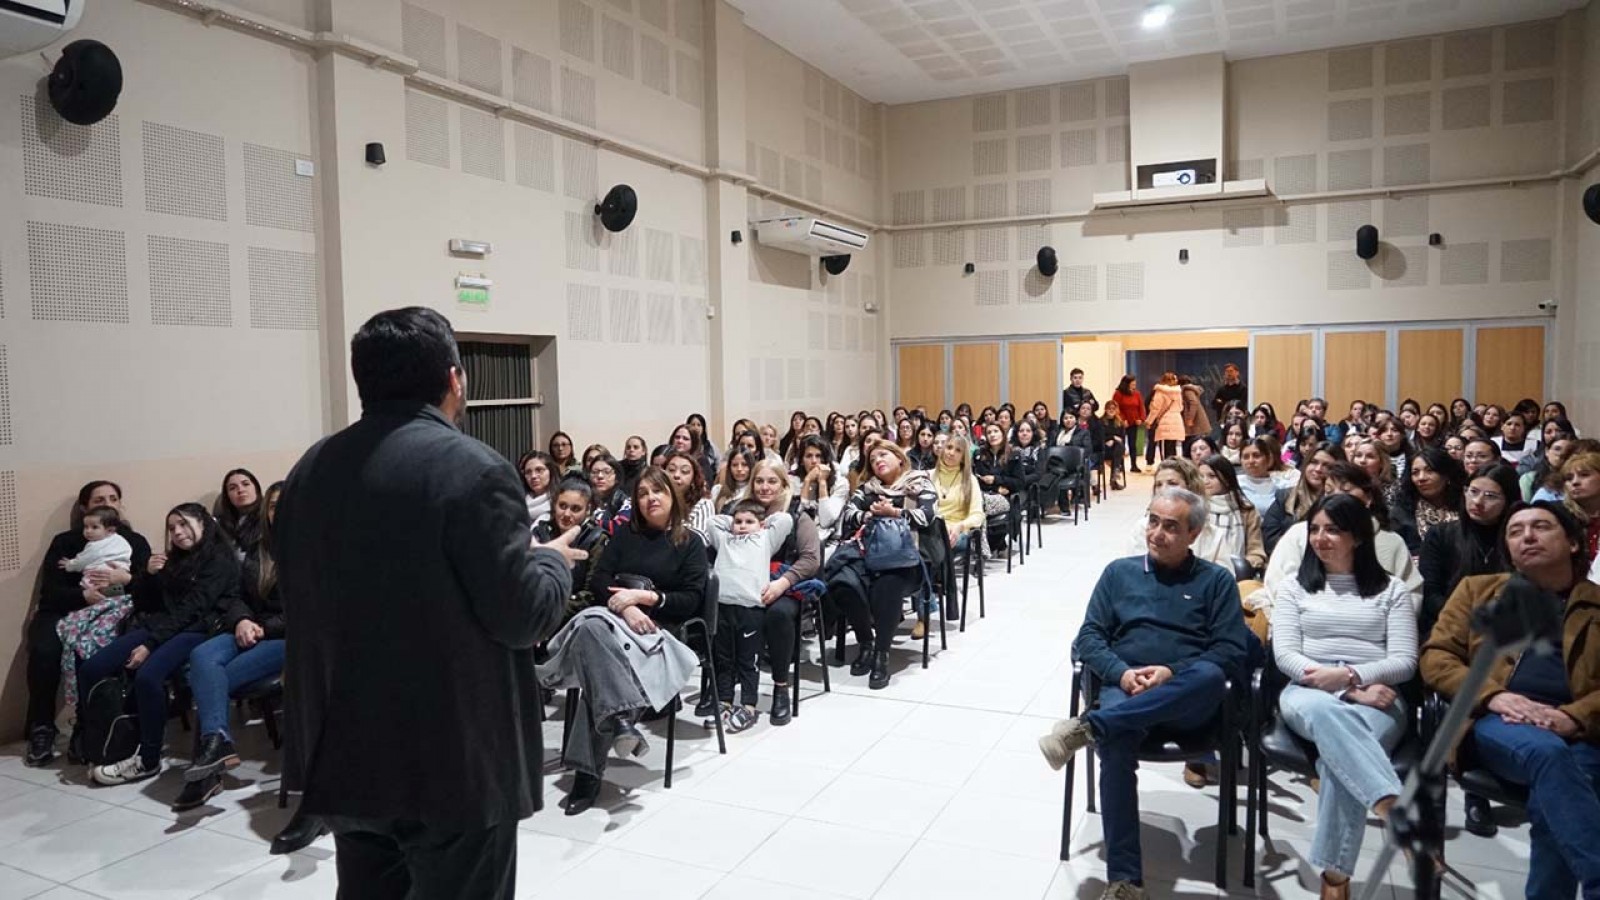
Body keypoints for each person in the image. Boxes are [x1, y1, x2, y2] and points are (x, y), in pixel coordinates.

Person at [277, 308, 579, 896]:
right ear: (455, 378)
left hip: (346, 747)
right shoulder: (473, 469)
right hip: (452, 761)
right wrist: (551, 561)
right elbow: (521, 617)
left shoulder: (309, 472)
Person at [1039, 486, 1249, 900]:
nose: (1156, 533)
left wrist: (1173, 672)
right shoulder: (1119, 573)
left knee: (1209, 674)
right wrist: (1122, 673)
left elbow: (1230, 650)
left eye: (1171, 526)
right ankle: (1125, 882)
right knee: (1116, 746)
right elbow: (1090, 637)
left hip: (1186, 701)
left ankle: (1090, 726)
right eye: (1153, 521)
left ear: (1194, 533)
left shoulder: (1216, 581)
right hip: (1127, 689)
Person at [1421, 501, 1600, 900]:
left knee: (1560, 793)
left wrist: (1574, 716)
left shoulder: (1595, 602)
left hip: (1579, 730)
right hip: (1496, 723)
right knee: (1551, 757)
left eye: (1540, 527)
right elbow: (1436, 657)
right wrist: (1494, 696)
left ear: (1572, 542)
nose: (1527, 537)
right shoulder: (1477, 591)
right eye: (1516, 531)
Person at [1271, 494, 1417, 900]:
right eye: (1314, 528)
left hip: (1380, 694)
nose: (1320, 538)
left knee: (1339, 759)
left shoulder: (1392, 590)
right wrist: (1346, 686)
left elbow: (1404, 661)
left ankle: (1335, 880)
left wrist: (1355, 675)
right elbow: (1285, 655)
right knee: (1335, 719)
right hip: (1309, 691)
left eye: (1332, 529)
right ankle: (1395, 812)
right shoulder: (1294, 588)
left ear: (1357, 536)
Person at [78, 503, 241, 785]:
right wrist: (149, 576)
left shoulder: (219, 560)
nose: (177, 533)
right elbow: (148, 603)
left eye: (184, 525)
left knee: (148, 677)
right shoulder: (175, 560)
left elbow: (193, 609)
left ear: (203, 523)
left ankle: (148, 759)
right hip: (163, 624)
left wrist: (151, 645)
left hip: (201, 629)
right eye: (172, 528)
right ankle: (98, 741)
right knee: (93, 667)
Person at [175, 481, 292, 811]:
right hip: (247, 628)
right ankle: (217, 743)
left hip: (286, 639)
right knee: (202, 656)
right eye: (272, 505)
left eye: (284, 504)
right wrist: (241, 620)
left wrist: (261, 627)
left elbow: (309, 610)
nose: (277, 511)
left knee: (211, 678)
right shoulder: (257, 549)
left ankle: (204, 772)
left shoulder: (311, 550)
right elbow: (236, 596)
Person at [23, 482, 154, 767]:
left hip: (116, 608)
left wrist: (123, 583)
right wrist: (83, 596)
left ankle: (89, 726)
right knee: (44, 649)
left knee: (98, 647)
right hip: (64, 609)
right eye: (98, 499)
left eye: (113, 498)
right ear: (84, 508)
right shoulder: (65, 542)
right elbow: (52, 591)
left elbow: (148, 587)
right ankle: (42, 727)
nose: (107, 502)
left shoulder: (134, 541)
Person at [822, 442, 937, 690]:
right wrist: (869, 515)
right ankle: (866, 643)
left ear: (899, 458)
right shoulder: (867, 489)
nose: (877, 461)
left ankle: (881, 655)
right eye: (873, 459)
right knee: (842, 582)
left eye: (883, 455)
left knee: (887, 585)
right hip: (868, 555)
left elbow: (927, 516)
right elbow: (848, 514)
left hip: (906, 558)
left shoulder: (919, 483)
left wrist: (894, 512)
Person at [705, 500, 794, 733]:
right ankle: (724, 701)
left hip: (751, 608)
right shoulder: (725, 539)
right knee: (723, 659)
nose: (743, 526)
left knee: (748, 660)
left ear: (762, 524)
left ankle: (748, 705)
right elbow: (712, 521)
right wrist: (732, 518)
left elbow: (785, 520)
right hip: (723, 606)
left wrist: (762, 524)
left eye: (749, 522)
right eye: (739, 522)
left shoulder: (765, 539)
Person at [747, 457, 822, 725]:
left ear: (783, 485)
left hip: (786, 586)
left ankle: (780, 687)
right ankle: (723, 691)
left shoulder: (797, 514)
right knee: (724, 613)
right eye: (759, 481)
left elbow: (811, 560)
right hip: (746, 584)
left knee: (778, 614)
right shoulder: (742, 511)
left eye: (771, 481)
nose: (764, 487)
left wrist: (782, 583)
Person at [1419, 464, 1519, 638]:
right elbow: (1430, 594)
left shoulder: (1517, 540)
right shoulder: (1441, 534)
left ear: (1508, 501)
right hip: (1450, 626)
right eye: (1473, 491)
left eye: (1490, 496)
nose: (1478, 502)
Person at [1195, 455, 1266, 574]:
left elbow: (1255, 550)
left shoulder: (1246, 510)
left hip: (1236, 573)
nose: (1205, 481)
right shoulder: (1193, 508)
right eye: (1201, 476)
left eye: (1212, 476)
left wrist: (1243, 567)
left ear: (1227, 479)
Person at [1391, 445, 1466, 554]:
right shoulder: (1401, 514)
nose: (1421, 478)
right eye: (1415, 473)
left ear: (1446, 475)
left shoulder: (1466, 507)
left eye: (1429, 471)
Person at [933, 433, 985, 559]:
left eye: (958, 450)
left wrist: (960, 526)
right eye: (949, 447)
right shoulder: (929, 476)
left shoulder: (970, 480)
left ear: (963, 457)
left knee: (939, 545)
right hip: (933, 528)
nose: (951, 453)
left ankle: (939, 577)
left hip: (958, 530)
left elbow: (978, 515)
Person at [57, 506, 133, 591]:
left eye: (94, 527)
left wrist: (69, 565)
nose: (88, 531)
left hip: (98, 579)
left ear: (110, 530)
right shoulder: (121, 540)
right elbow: (127, 553)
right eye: (86, 527)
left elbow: (82, 560)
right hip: (119, 578)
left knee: (85, 586)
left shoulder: (95, 545)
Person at [792, 435, 848, 539]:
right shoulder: (793, 480)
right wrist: (807, 481)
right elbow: (797, 516)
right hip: (798, 536)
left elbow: (826, 521)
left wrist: (822, 482)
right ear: (801, 461)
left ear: (826, 460)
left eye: (818, 456)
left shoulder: (840, 483)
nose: (814, 461)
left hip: (828, 540)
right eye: (808, 456)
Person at [1239, 435, 1299, 516]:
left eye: (1256, 456)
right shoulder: (1234, 484)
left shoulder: (1282, 485)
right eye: (1246, 457)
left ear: (1268, 459)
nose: (1251, 461)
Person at [662, 448, 715, 539]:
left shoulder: (703, 504)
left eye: (684, 471)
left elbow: (700, 538)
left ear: (693, 479)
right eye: (671, 470)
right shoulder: (656, 501)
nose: (676, 475)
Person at [214, 468, 265, 555]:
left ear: (256, 488)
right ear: (227, 496)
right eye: (232, 488)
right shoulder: (220, 525)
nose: (240, 490)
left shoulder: (268, 518)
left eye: (245, 484)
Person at [584, 451, 632, 534]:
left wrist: (588, 522)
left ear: (616, 477)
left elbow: (619, 527)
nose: (600, 476)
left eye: (606, 472)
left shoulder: (625, 501)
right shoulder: (584, 498)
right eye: (595, 472)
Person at [1145, 372, 1185, 464]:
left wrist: (1149, 421)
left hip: (1165, 421)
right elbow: (1181, 407)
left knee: (1164, 447)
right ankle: (1173, 467)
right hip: (1176, 419)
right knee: (1172, 446)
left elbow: (1156, 408)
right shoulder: (1178, 392)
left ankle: (1166, 467)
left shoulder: (1160, 392)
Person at [1112, 376, 1147, 473]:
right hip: (1121, 423)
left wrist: (1141, 418)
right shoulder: (1118, 394)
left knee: (1133, 444)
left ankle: (1134, 464)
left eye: (1135, 384)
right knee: (1121, 444)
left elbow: (1141, 407)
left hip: (1134, 422)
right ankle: (1120, 465)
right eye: (1132, 384)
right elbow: (1116, 407)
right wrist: (1122, 419)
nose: (1134, 386)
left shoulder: (1137, 394)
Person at [518, 451, 557, 526]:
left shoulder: (559, 501)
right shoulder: (519, 502)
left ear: (551, 472)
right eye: (528, 472)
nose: (533, 476)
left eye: (539, 470)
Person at [711, 448, 755, 512]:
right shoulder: (717, 490)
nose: (739, 469)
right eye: (734, 465)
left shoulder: (755, 492)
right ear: (729, 468)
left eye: (744, 465)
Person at [1180, 375, 1212, 442]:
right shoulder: (1190, 390)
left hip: (1195, 422)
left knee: (1193, 441)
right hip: (1196, 421)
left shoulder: (1187, 390)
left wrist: (1190, 419)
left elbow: (1193, 403)